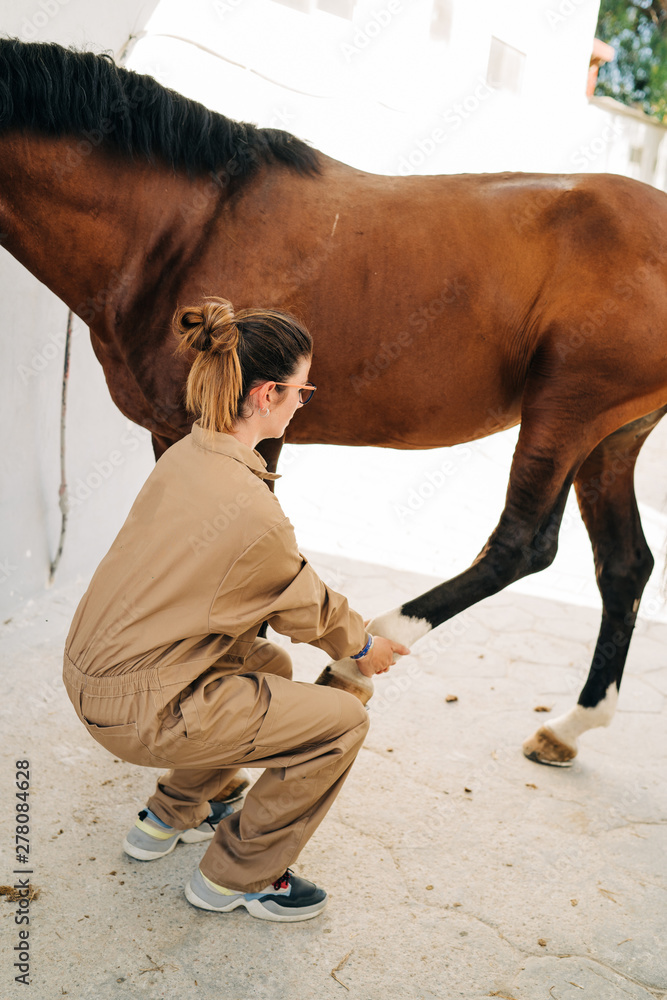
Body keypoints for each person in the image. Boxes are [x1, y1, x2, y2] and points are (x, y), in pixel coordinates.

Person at [62, 296, 410, 922]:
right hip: (141, 709)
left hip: (95, 678)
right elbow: (307, 603)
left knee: (269, 665)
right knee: (340, 724)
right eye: (303, 392)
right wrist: (364, 647)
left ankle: (167, 818)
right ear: (267, 394)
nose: (303, 404)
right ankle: (237, 879)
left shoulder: (186, 455)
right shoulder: (251, 511)